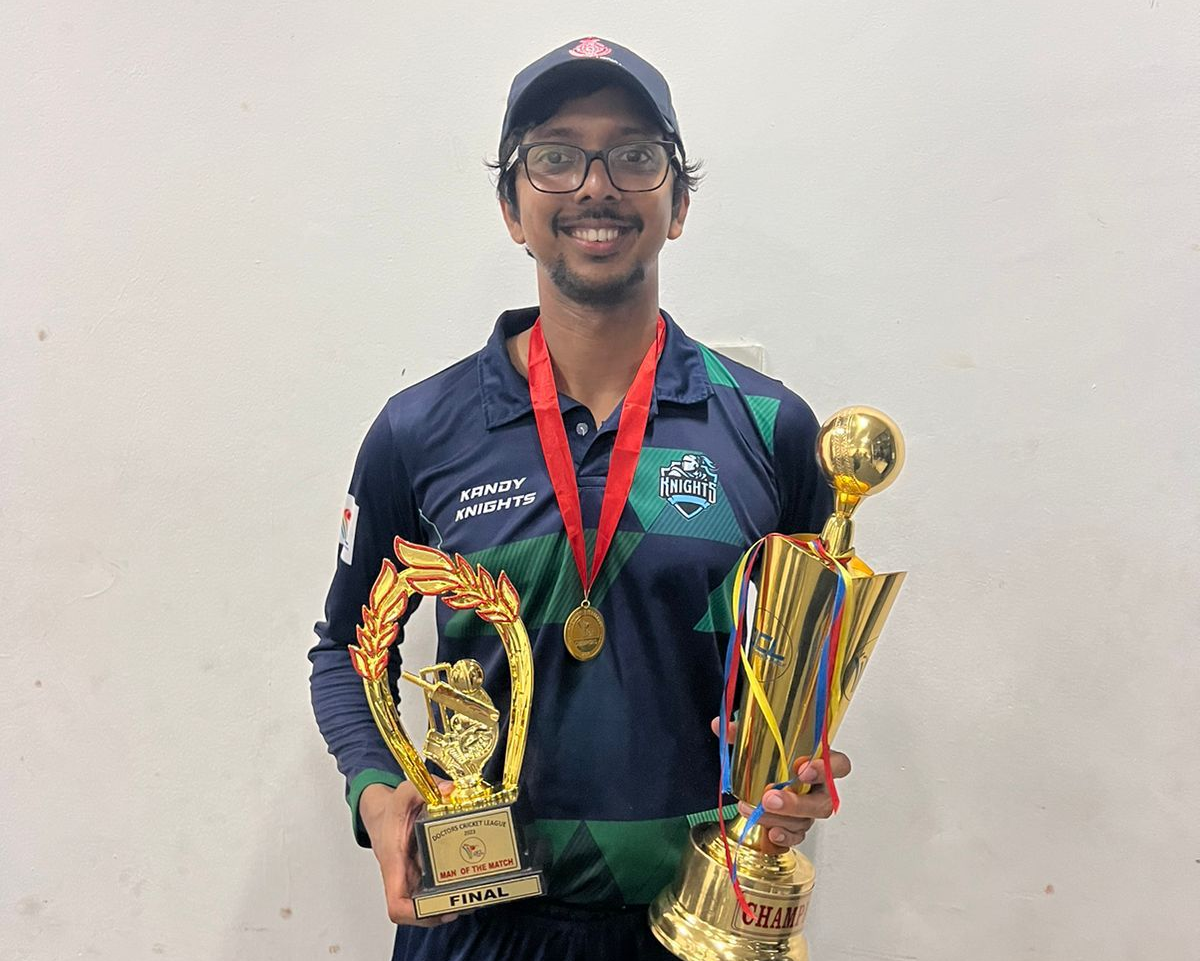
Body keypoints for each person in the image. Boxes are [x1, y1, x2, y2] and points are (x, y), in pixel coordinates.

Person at [309, 36, 851, 961]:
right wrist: (375, 788)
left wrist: (793, 766)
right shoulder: (419, 429)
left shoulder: (770, 428)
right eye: (556, 157)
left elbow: (805, 659)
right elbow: (343, 648)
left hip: (696, 923)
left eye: (635, 155)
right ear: (511, 208)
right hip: (476, 924)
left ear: (678, 204)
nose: (596, 187)